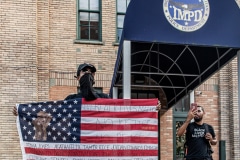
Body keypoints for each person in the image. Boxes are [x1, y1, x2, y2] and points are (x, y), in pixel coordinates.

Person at [12, 63, 161, 116]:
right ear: (77, 78)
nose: (88, 74)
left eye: (91, 72)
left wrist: (149, 108)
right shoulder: (70, 100)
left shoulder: (105, 98)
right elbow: (51, 114)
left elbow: (124, 111)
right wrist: (23, 111)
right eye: (84, 72)